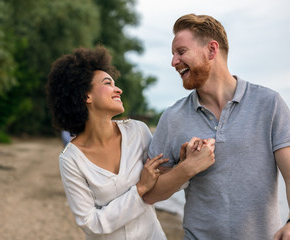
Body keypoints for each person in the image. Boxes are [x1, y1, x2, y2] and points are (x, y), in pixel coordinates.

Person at [143, 13, 290, 240]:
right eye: (173, 54)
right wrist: (186, 168)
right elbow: (150, 194)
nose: (173, 61)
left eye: (181, 52)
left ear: (212, 50)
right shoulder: (173, 117)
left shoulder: (269, 104)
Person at [46, 46, 215, 240]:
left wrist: (183, 166)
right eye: (107, 83)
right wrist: (140, 189)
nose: (118, 89)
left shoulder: (138, 131)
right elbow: (90, 223)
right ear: (86, 96)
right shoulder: (70, 159)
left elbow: (160, 183)